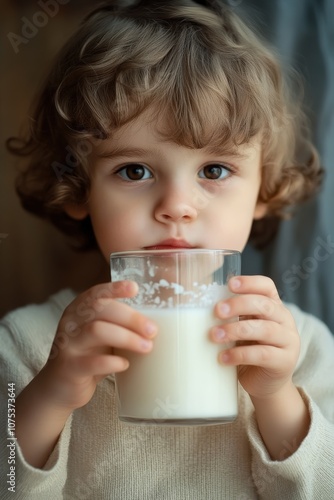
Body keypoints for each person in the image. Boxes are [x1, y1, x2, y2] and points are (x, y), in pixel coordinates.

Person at [1, 1, 333, 498]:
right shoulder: (27, 343)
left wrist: (278, 397)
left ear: (263, 190)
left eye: (214, 170)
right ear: (77, 187)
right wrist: (50, 394)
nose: (177, 206)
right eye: (134, 170)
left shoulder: (300, 348)